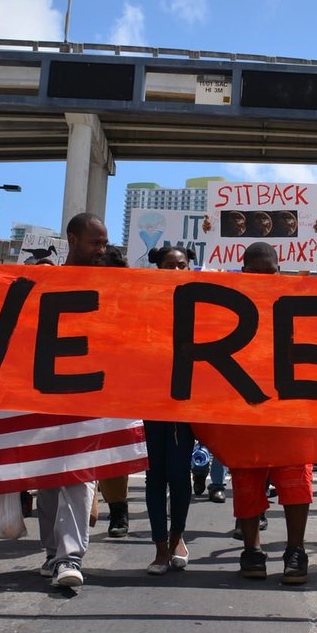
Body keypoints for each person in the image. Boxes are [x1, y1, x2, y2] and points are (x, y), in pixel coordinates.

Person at [36, 212, 123, 589]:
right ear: (73, 239)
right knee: (48, 477)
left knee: (80, 474)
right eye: (95, 242)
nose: (102, 249)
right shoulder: (46, 281)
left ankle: (69, 556)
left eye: (104, 243)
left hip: (91, 395)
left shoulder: (113, 286)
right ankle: (51, 551)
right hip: (47, 394)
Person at [231, 242, 313, 585]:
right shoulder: (227, 306)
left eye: (270, 272)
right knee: (247, 480)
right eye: (256, 272)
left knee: (297, 481)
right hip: (244, 411)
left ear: (280, 271)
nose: (264, 278)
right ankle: (252, 550)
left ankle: (296, 550)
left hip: (290, 410)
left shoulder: (298, 302)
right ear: (243, 272)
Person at [142, 245, 195, 575]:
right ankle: (160, 547)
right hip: (150, 402)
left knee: (179, 474)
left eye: (181, 265)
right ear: (157, 268)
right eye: (169, 265)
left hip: (183, 405)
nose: (175, 271)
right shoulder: (144, 302)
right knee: (155, 476)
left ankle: (178, 538)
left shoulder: (201, 303)